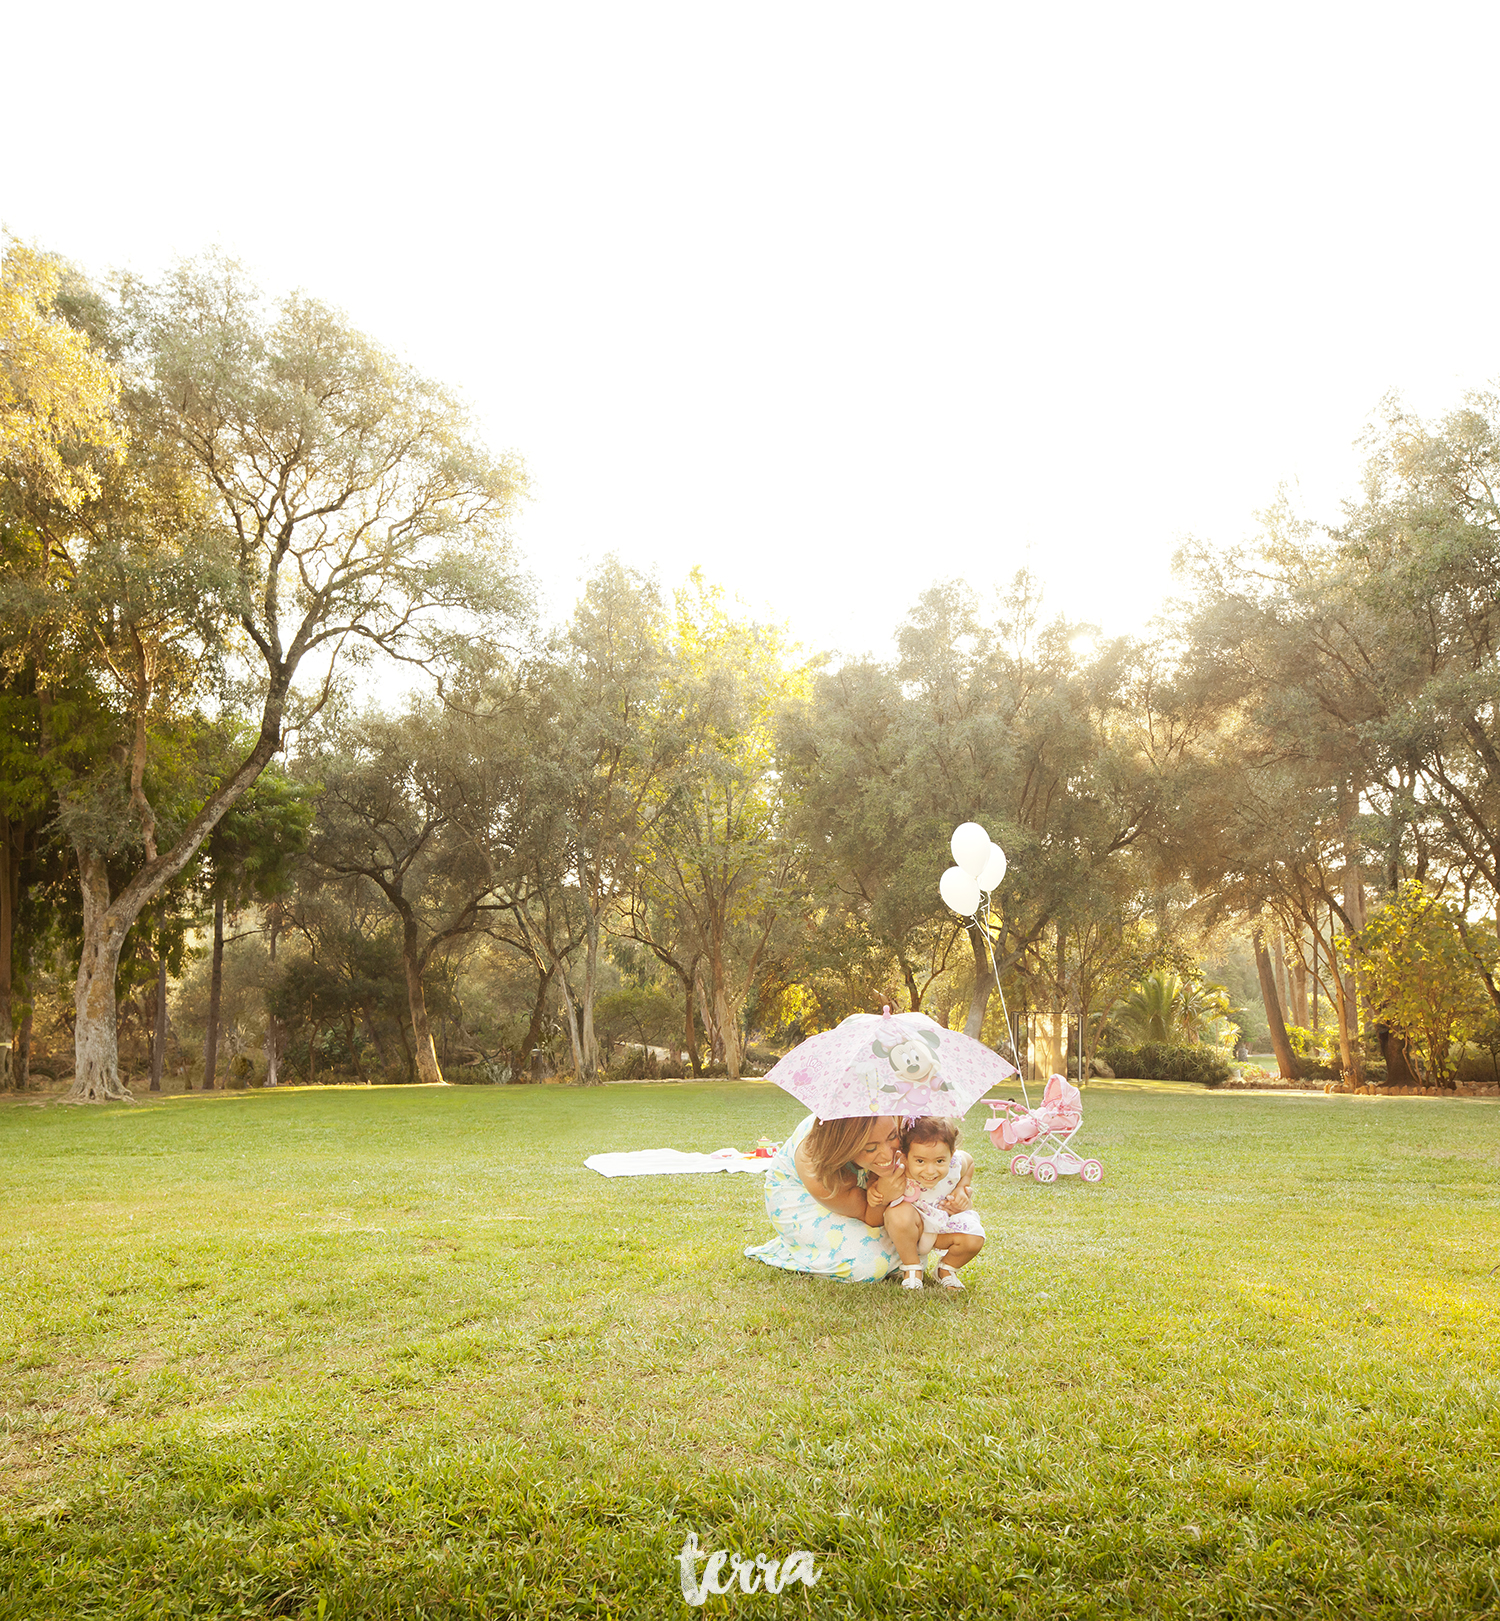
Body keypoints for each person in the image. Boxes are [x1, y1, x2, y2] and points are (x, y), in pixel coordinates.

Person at [743, 1114, 971, 1283]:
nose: (888, 1153)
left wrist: (961, 1188)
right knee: (869, 1267)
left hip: (868, 1189)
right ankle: (793, 1248)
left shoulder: (898, 1114)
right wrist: (884, 1196)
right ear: (845, 1147)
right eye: (871, 1148)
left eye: (892, 1137)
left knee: (910, 1251)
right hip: (800, 1198)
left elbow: (953, 1159)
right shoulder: (815, 1164)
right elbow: (867, 1213)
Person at [887, 1116, 985, 1292]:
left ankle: (945, 1269)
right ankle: (912, 1268)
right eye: (920, 1161)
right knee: (897, 1214)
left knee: (974, 1238)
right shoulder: (900, 1170)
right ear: (905, 1157)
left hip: (943, 1226)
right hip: (913, 1228)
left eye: (940, 1161)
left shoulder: (956, 1164)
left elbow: (969, 1162)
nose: (930, 1171)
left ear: (951, 1154)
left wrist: (962, 1187)